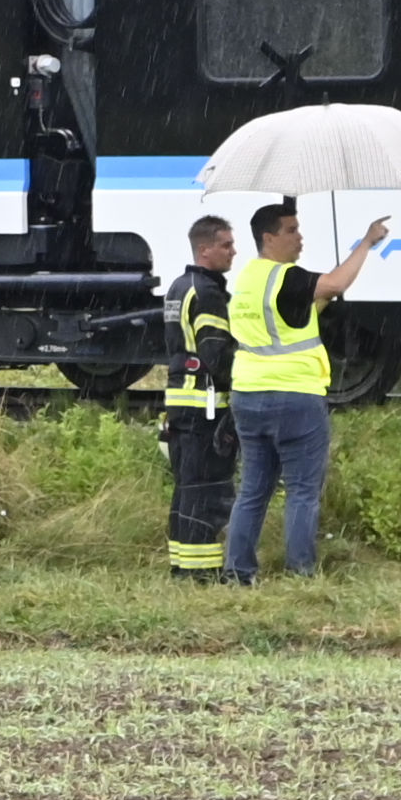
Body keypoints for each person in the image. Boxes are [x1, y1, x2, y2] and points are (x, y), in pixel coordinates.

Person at [219, 197, 393, 580]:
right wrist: (366, 243)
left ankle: (237, 571)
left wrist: (322, 300)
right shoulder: (287, 276)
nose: (300, 239)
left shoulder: (247, 278)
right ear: (269, 237)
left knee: (252, 490)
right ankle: (300, 573)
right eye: (291, 231)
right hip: (294, 396)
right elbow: (336, 282)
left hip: (248, 395)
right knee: (301, 490)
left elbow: (289, 319)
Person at [156, 213, 239, 576]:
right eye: (226, 245)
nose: (233, 252)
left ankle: (182, 564)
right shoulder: (207, 293)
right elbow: (217, 354)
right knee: (207, 488)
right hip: (205, 405)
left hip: (180, 402)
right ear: (204, 250)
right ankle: (200, 571)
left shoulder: (179, 286)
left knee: (187, 487)